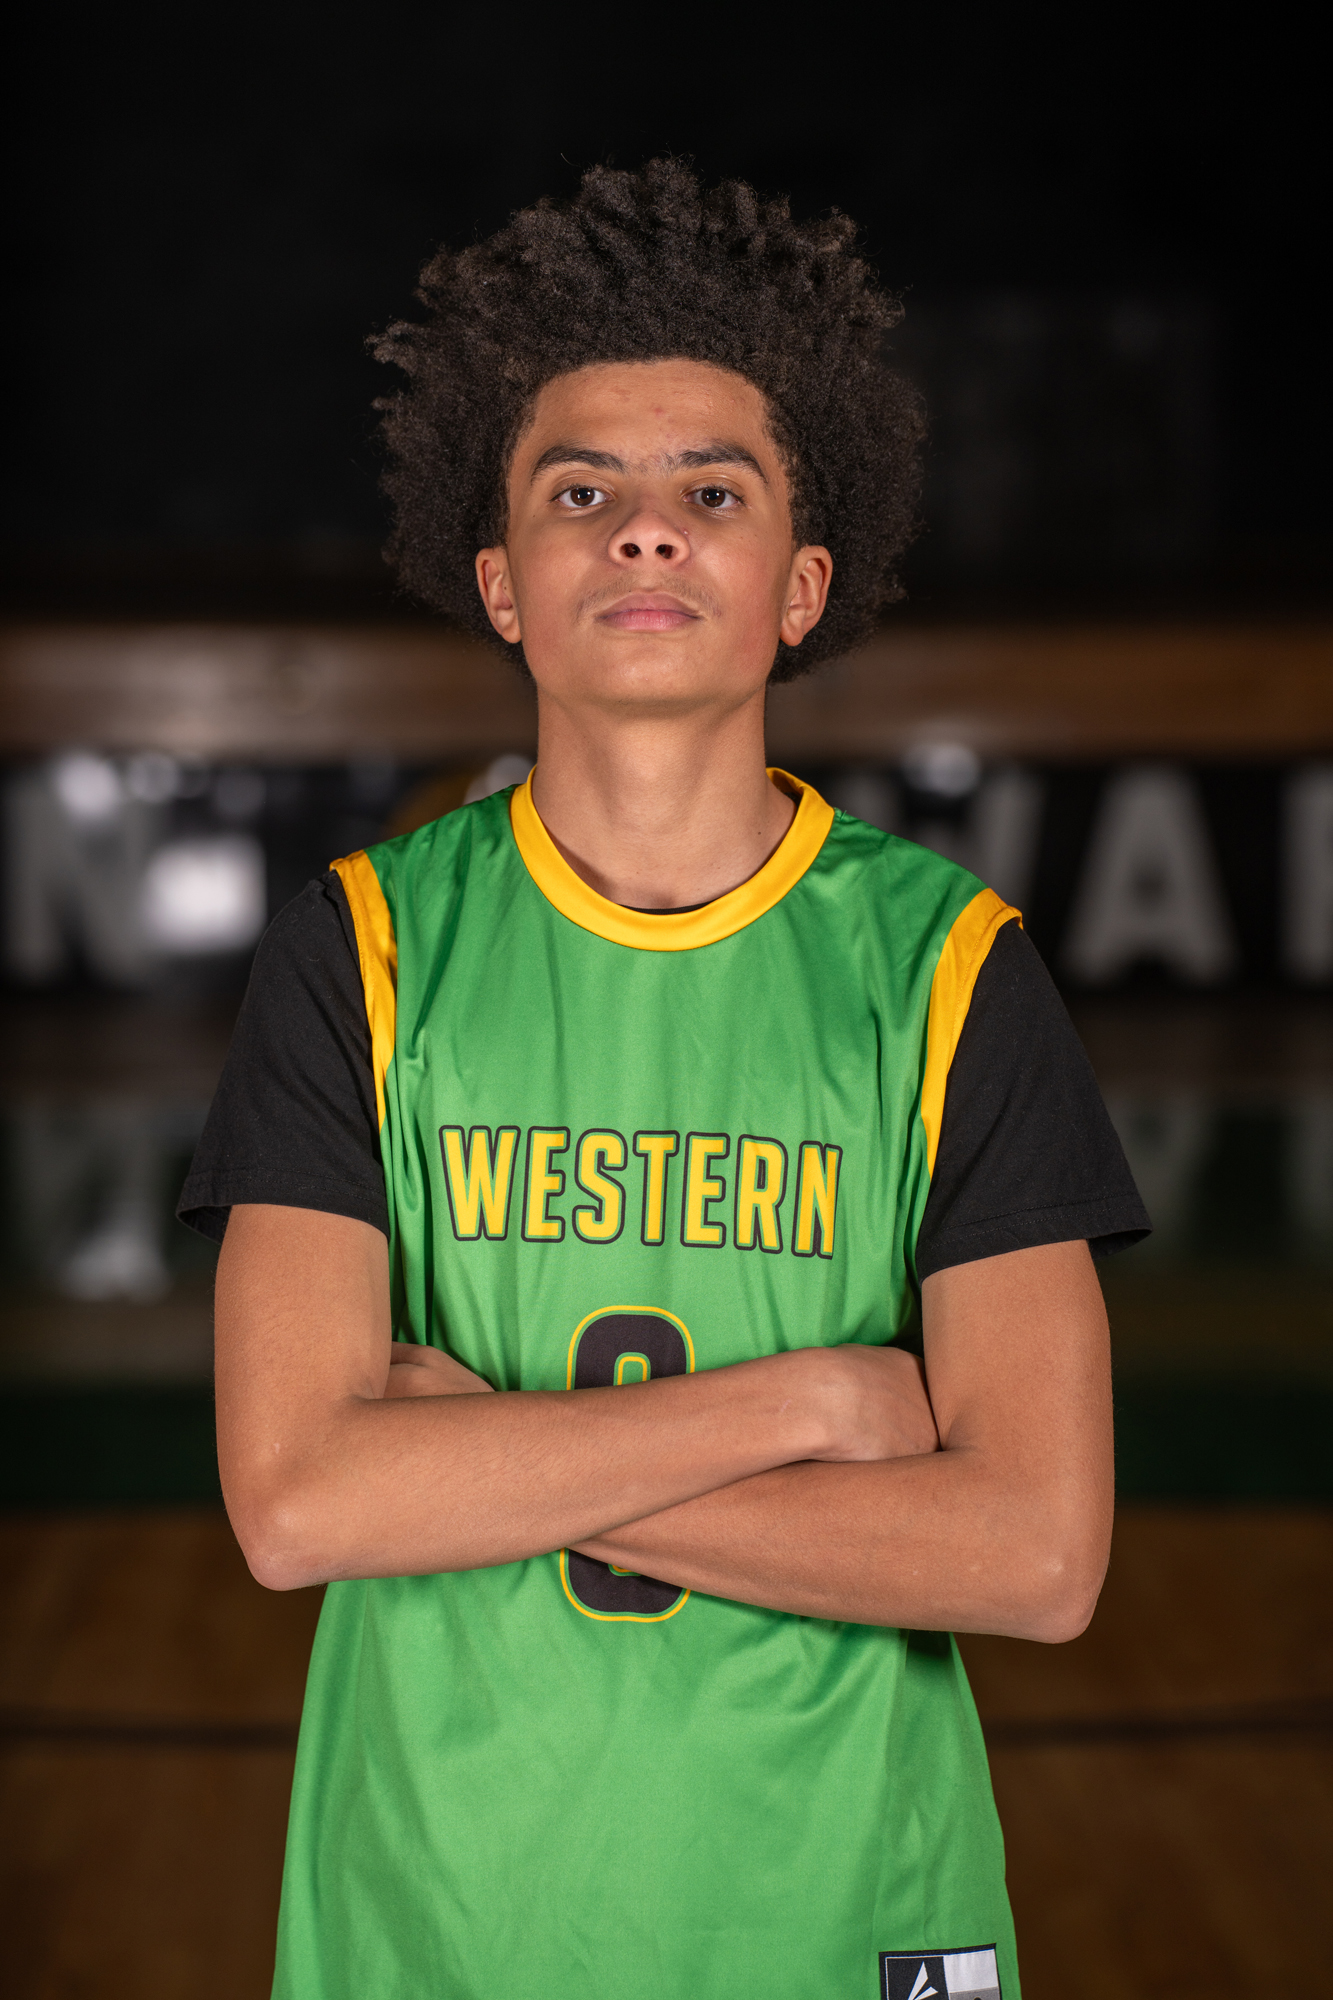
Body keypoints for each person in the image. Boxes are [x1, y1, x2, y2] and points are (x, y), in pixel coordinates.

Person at [180, 160, 1149, 2000]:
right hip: (441, 1925)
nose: (642, 534)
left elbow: (1035, 1555)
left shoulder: (948, 970)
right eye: (581, 493)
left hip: (844, 1913)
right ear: (501, 585)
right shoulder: (362, 950)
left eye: (710, 492)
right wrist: (815, 1402)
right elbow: (299, 1508)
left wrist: (473, 1457)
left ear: (799, 586)